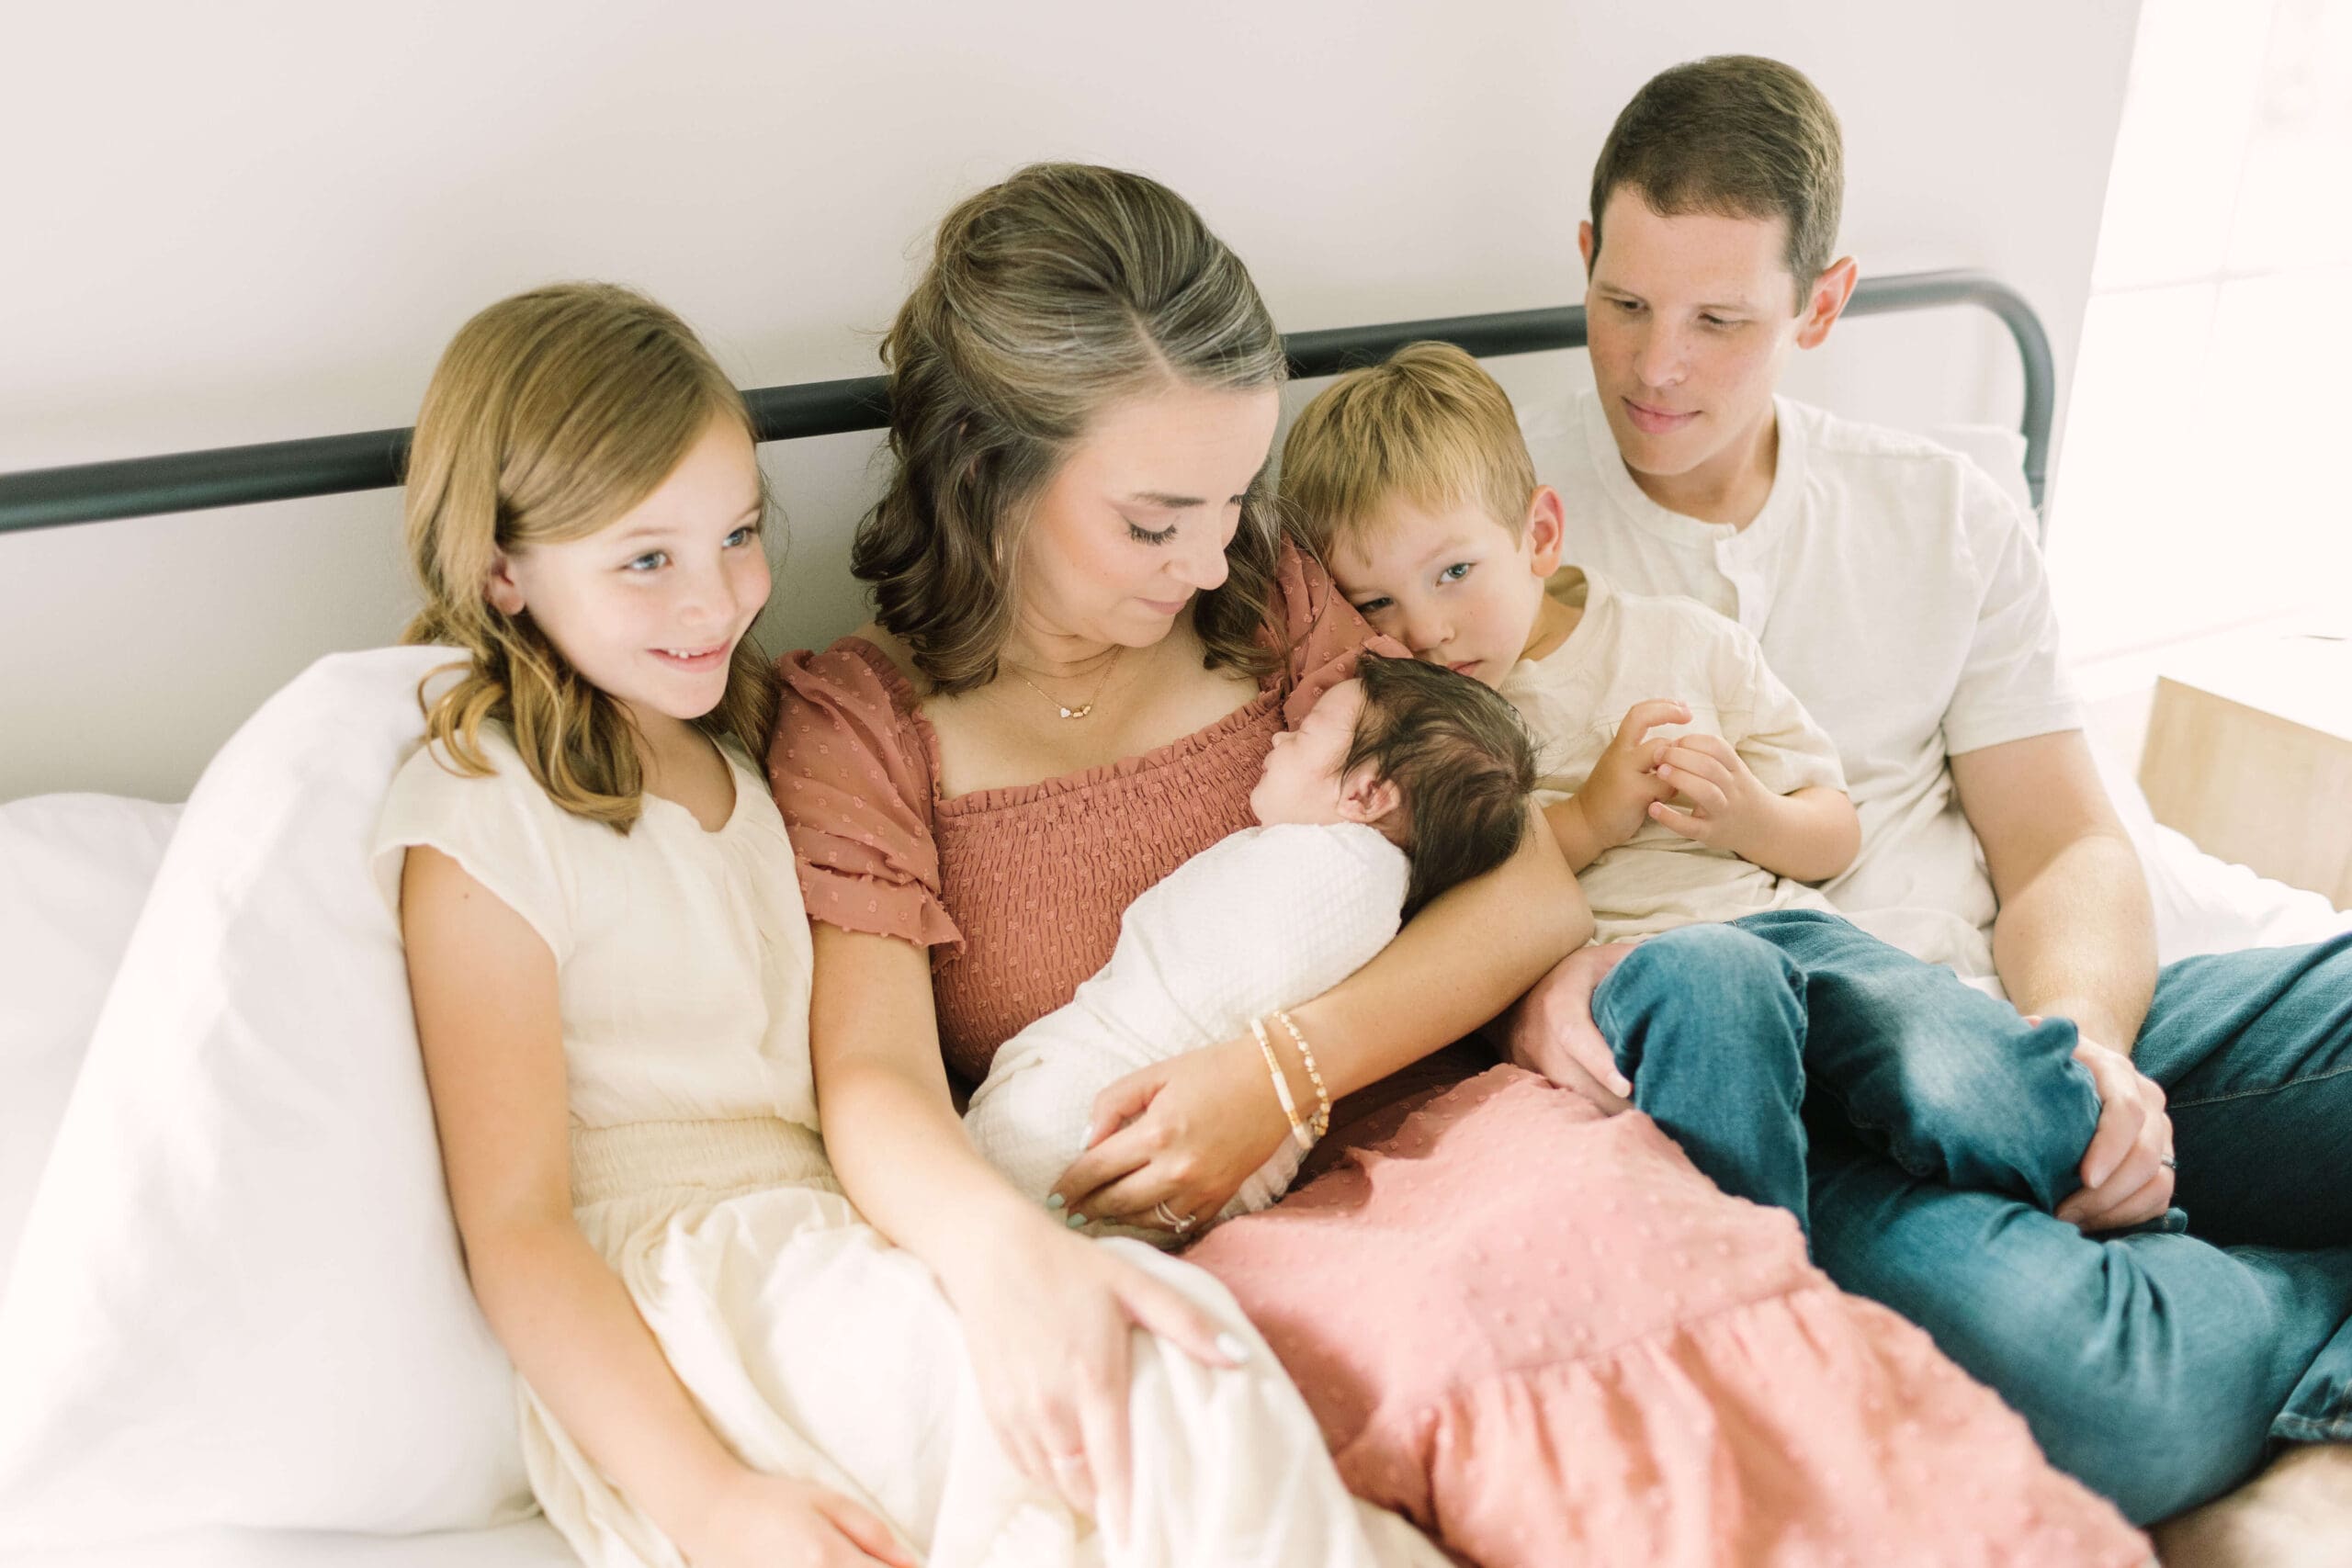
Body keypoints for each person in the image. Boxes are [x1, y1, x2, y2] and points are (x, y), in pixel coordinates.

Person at [771, 161, 2147, 1567]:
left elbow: (1525, 889)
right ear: (989, 466)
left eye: (1235, 501)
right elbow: (871, 1077)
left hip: (1464, 1122)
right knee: (1536, 1434)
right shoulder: (860, 728)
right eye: (1152, 518)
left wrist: (1279, 1075)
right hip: (1218, 1235)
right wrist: (1011, 1262)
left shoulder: (1282, 605)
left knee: (1751, 1342)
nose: (1206, 561)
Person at [380, 281, 1442, 1568]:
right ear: (501, 565)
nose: (715, 599)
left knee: (1157, 1363)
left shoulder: (753, 744)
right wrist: (706, 1501)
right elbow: (518, 1226)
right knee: (1146, 1386)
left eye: (735, 534)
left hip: (841, 1229)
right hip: (695, 1292)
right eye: (644, 558)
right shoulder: (487, 814)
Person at [1504, 53, 2352, 1553]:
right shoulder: (1481, 531)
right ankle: (2310, 1291)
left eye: (1721, 321)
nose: (1657, 367)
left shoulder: (1942, 508)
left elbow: (2072, 843)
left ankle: (2143, 1180)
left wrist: (2088, 1048)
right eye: (1627, 302)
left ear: (1820, 306)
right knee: (2113, 1396)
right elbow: (1428, 871)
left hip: (2001, 1027)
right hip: (1801, 1107)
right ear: (1584, 257)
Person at [1283, 338, 2107, 1228]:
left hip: (1792, 933)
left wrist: (1748, 816)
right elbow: (1450, 900)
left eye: (1453, 573)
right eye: (1376, 603)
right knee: (1716, 984)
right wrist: (1592, 819)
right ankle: (1767, 1277)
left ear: (1538, 536)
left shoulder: (1681, 643)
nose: (1429, 628)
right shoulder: (1410, 728)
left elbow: (1833, 833)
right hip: (1638, 978)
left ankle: (2100, 1180)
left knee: (1957, 1057)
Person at [967, 658, 1537, 1235]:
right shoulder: (1362, 879)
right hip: (1200, 1165)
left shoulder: (1344, 875)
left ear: (1366, 795)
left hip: (1110, 1111)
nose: (1282, 735)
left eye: (1307, 730)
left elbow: (1225, 982)